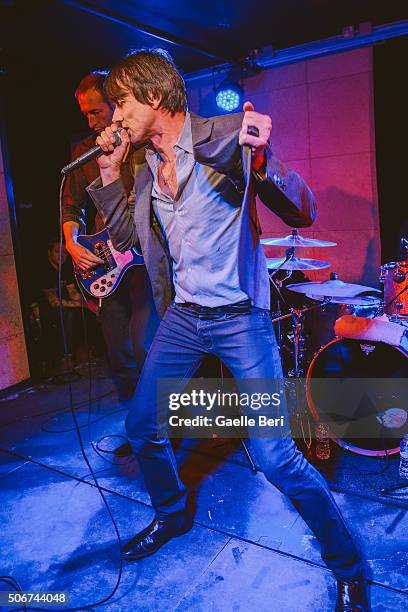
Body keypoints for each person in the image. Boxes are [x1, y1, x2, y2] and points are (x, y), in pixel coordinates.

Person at [87, 49, 369, 610]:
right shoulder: (143, 166)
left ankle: (350, 566)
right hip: (185, 318)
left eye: (120, 101)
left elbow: (302, 210)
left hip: (241, 317)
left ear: (154, 96)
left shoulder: (226, 135)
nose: (111, 115)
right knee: (143, 425)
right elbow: (126, 239)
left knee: (275, 458)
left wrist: (263, 162)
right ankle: (171, 514)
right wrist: (108, 174)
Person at [62, 71, 158, 402]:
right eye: (85, 114)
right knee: (119, 351)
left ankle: (164, 423)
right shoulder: (84, 151)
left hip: (145, 261)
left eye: (96, 112)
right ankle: (137, 422)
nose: (90, 121)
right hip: (107, 264)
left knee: (145, 344)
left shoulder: (144, 145)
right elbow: (71, 209)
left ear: (114, 105)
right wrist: (74, 245)